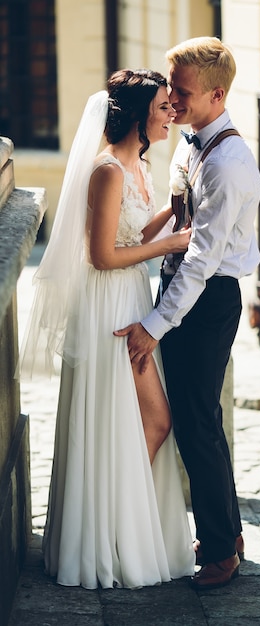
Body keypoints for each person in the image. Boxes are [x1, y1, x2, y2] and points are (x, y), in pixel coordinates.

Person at [19, 69, 195, 589]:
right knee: (152, 420)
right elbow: (100, 254)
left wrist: (173, 208)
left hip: (131, 298)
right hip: (108, 307)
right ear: (141, 115)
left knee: (138, 420)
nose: (172, 114)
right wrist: (167, 246)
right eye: (164, 106)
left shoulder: (135, 166)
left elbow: (131, 229)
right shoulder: (106, 171)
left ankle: (120, 524)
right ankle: (113, 530)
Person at [115, 38, 260, 590]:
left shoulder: (228, 163)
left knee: (198, 426)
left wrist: (154, 326)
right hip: (179, 289)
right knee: (197, 424)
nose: (171, 100)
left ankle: (222, 549)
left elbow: (201, 260)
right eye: (171, 89)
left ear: (216, 94)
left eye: (181, 91)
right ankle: (229, 533)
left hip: (208, 300)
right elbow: (176, 220)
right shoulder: (189, 142)